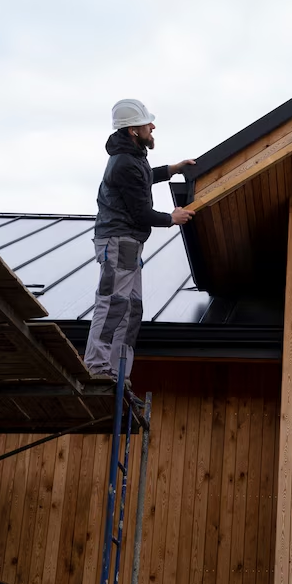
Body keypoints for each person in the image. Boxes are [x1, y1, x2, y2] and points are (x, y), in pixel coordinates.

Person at [84, 99, 196, 380]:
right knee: (113, 303)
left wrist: (173, 168)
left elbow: (144, 177)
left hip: (128, 243)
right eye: (148, 124)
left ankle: (118, 371)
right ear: (133, 130)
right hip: (118, 240)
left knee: (131, 309)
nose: (153, 127)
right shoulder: (124, 163)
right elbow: (140, 212)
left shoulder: (131, 157)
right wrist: (172, 218)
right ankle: (98, 367)